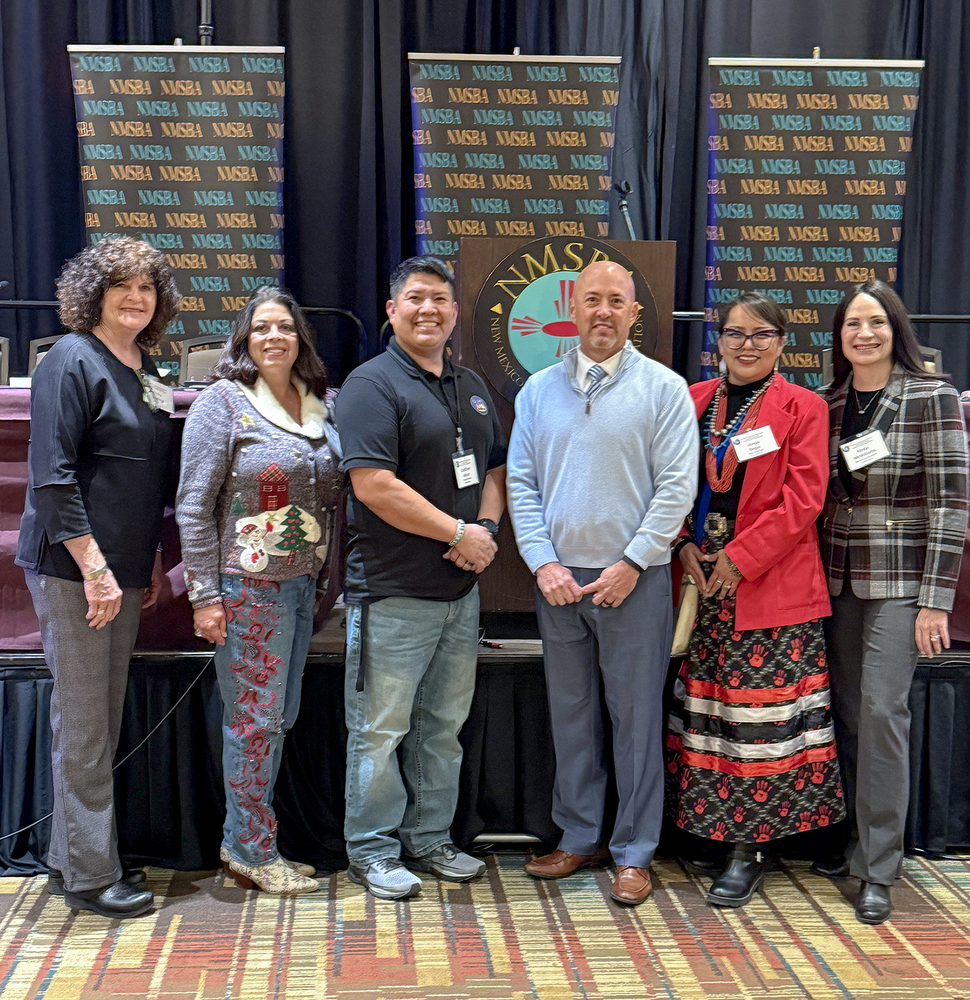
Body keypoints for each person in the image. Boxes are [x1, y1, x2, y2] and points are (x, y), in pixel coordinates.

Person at [507, 260, 699, 906]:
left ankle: (635, 852)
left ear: (634, 313)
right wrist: (543, 562)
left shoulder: (665, 389)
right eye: (592, 300)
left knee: (636, 721)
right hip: (559, 584)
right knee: (572, 717)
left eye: (617, 301)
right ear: (574, 309)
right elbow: (521, 484)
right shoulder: (537, 391)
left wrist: (634, 562)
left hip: (634, 583)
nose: (604, 312)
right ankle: (579, 835)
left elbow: (677, 487)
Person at [15, 237, 180, 918]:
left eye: (146, 287)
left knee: (100, 721)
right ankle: (87, 876)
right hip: (75, 568)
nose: (136, 298)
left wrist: (146, 562)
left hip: (123, 568)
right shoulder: (70, 359)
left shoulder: (146, 366)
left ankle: (75, 854)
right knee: (85, 725)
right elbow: (52, 479)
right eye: (122, 285)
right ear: (94, 294)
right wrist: (96, 571)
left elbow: (148, 479)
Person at [334, 256, 506, 901]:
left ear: (455, 312)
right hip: (394, 592)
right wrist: (459, 535)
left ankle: (430, 838)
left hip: (460, 592)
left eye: (439, 299)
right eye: (414, 298)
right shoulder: (370, 385)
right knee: (380, 731)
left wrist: (485, 531)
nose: (428, 309)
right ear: (392, 310)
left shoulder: (472, 384)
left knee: (442, 728)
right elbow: (374, 485)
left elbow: (493, 470)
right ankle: (372, 850)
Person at [666, 291, 844, 907]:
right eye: (736, 333)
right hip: (699, 576)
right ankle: (710, 831)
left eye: (762, 334)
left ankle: (750, 847)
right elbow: (668, 483)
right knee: (711, 711)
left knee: (758, 722)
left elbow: (804, 500)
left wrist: (739, 560)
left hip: (768, 581)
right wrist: (681, 545)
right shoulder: (692, 400)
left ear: (782, 342)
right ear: (718, 340)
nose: (747, 345)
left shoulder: (804, 407)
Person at [176, 286, 343, 895]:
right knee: (255, 721)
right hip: (245, 588)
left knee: (278, 718)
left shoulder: (320, 404)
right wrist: (204, 596)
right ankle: (249, 849)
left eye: (286, 327)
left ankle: (250, 841)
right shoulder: (220, 403)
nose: (275, 337)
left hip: (302, 587)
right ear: (244, 338)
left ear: (301, 339)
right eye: (262, 327)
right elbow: (193, 507)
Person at [820, 280, 969, 924]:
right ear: (839, 336)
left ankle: (880, 866)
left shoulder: (930, 397)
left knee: (884, 712)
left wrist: (936, 601)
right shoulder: (828, 402)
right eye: (853, 323)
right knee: (852, 717)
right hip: (836, 580)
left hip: (901, 584)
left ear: (896, 330)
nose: (865, 334)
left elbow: (951, 504)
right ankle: (855, 842)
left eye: (876, 322)